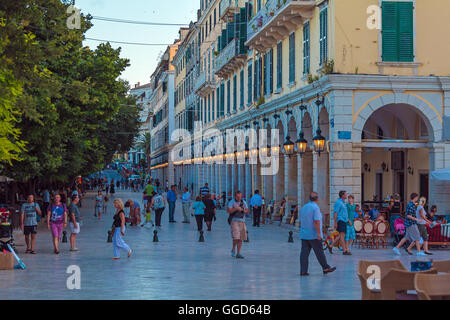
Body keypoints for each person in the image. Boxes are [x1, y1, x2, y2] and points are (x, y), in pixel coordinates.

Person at [300, 192, 337, 276]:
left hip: (304, 234)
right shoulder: (315, 208)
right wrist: (319, 233)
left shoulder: (303, 207)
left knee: (304, 254)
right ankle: (325, 267)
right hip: (313, 235)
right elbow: (316, 221)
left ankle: (303, 270)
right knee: (319, 252)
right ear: (317, 199)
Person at [227, 191, 249, 259]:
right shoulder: (231, 202)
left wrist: (242, 210)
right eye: (238, 197)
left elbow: (247, 211)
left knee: (241, 238)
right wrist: (236, 208)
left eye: (240, 196)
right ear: (235, 196)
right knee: (236, 237)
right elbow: (228, 211)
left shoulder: (243, 202)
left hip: (242, 221)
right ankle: (233, 248)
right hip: (234, 220)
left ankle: (238, 253)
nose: (239, 198)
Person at [333, 191, 351, 255]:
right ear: (342, 195)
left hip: (344, 221)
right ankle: (344, 250)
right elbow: (335, 212)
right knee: (342, 236)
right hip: (340, 221)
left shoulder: (343, 202)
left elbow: (344, 213)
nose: (346, 195)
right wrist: (335, 223)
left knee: (341, 236)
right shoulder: (338, 202)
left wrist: (348, 220)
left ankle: (330, 246)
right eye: (346, 194)